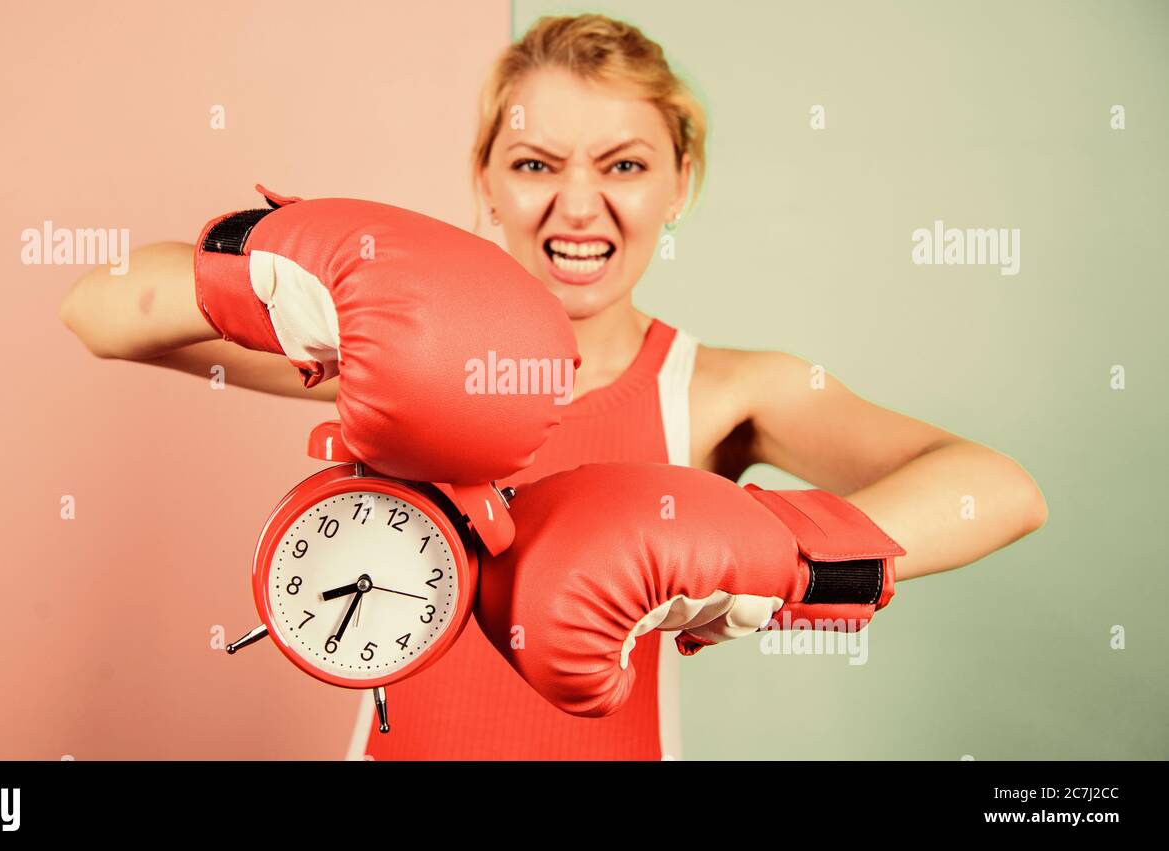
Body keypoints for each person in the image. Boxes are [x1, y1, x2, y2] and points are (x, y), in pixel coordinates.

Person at [60, 13, 1047, 760]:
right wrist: (285, 262)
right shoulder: (391, 362)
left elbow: (999, 488)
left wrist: (770, 563)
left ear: (679, 183)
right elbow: (102, 310)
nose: (579, 205)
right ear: (483, 180)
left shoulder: (722, 390)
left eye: (624, 163)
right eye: (535, 162)